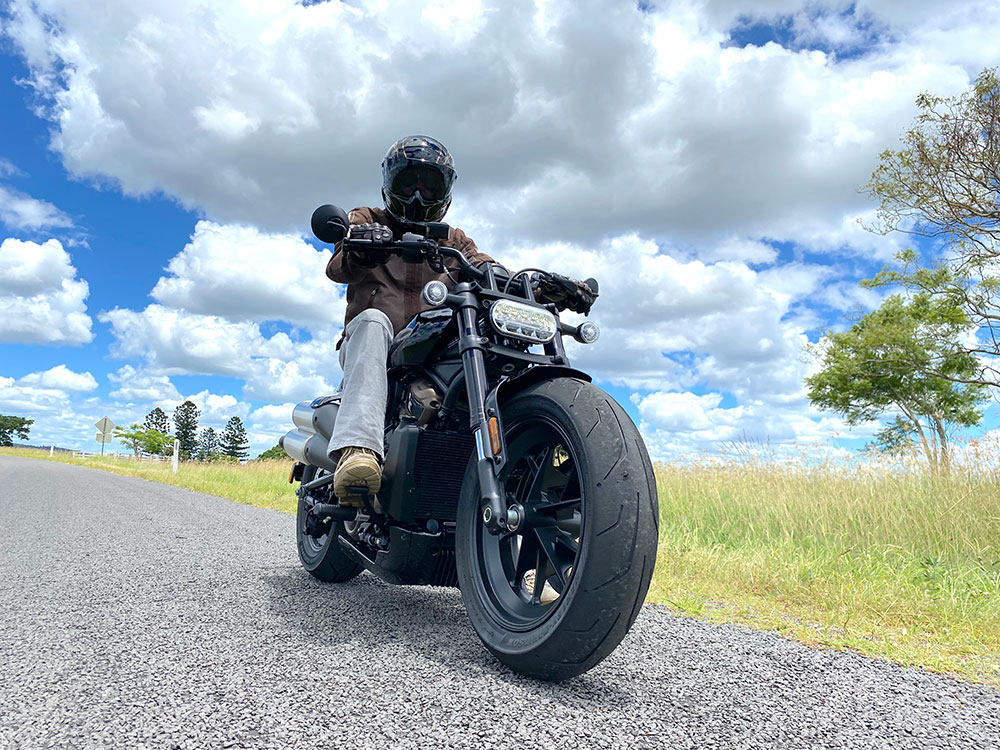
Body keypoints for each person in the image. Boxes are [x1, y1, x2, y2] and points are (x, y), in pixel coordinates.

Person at [324, 135, 494, 506]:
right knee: (373, 320)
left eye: (429, 184)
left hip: (426, 352)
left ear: (445, 191)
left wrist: (533, 284)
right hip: (372, 344)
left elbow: (483, 266)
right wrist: (363, 246)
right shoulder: (368, 219)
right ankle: (358, 450)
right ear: (390, 184)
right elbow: (337, 267)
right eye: (408, 183)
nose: (418, 195)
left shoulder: (453, 240)